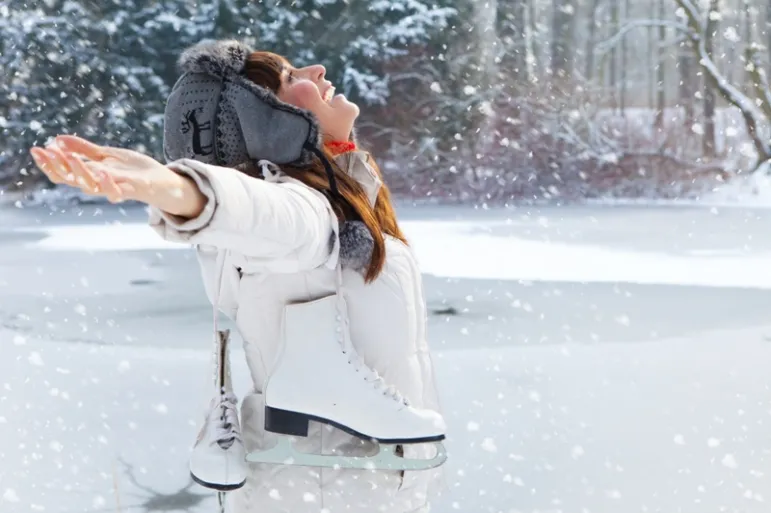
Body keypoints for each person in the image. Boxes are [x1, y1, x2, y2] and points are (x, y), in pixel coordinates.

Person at [29, 39, 446, 513]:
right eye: (290, 78)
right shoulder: (299, 210)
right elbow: (255, 210)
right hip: (325, 490)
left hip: (349, 480)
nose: (317, 68)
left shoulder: (341, 201)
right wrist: (172, 186)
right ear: (264, 121)